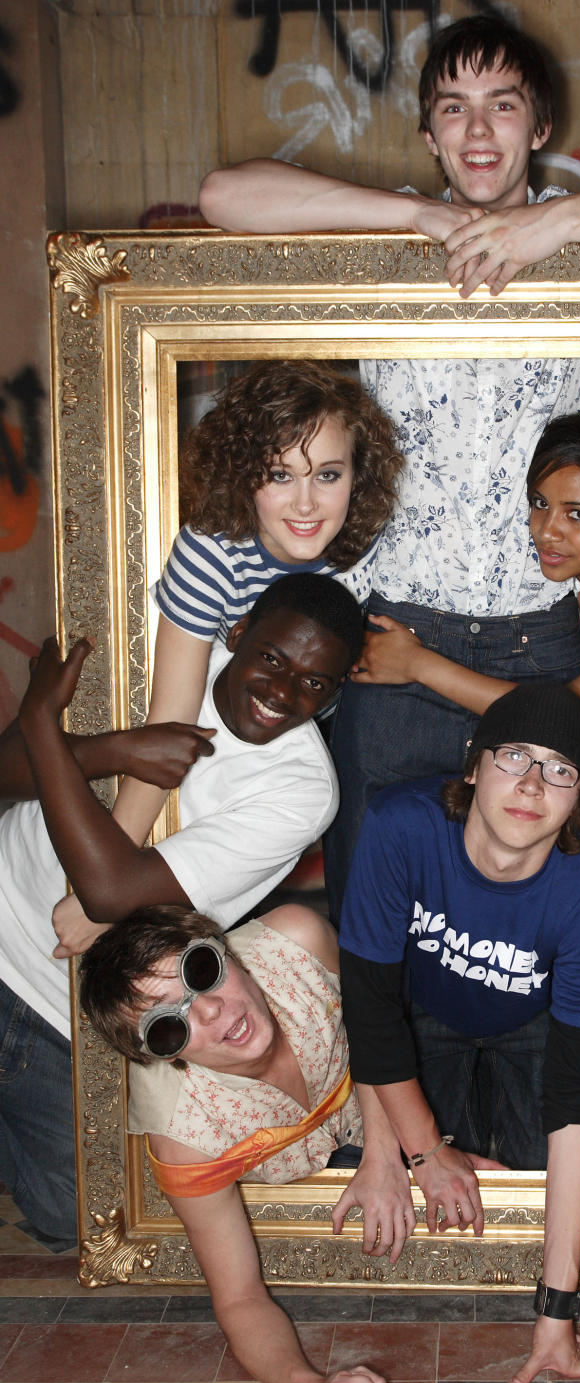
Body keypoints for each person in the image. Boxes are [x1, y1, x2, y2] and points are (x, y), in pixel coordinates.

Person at [198, 15, 580, 913]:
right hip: (393, 636)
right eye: (454, 109)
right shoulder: (386, 239)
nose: (477, 131)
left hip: (535, 637)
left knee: (547, 905)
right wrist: (420, 216)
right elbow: (225, 195)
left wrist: (558, 223)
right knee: (380, 905)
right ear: (429, 133)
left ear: (537, 126)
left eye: (502, 107)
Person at [0, 573, 362, 1241]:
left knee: (76, 1215)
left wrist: (40, 723)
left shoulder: (302, 788)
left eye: (315, 683)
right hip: (3, 895)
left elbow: (109, 889)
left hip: (58, 1004)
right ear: (238, 634)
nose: (283, 691)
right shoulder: (171, 655)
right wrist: (107, 748)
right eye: (273, 659)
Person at [338, 683, 580, 1383]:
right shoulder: (399, 824)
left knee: (557, 1180)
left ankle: (468, 1143)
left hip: (530, 1021)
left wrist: (557, 1310)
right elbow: (371, 1008)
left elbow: (577, 1092)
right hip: (420, 1014)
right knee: (366, 1168)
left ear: (578, 797)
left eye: (560, 769)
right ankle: (445, 1142)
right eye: (515, 757)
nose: (533, 784)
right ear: (474, 765)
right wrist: (412, 1148)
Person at [356, 410, 580, 1022]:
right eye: (540, 503)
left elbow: (563, 715)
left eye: (577, 515)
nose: (547, 530)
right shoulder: (551, 581)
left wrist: (418, 665)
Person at [52, 359, 401, 955]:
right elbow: (170, 727)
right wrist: (100, 881)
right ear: (243, 474)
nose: (307, 503)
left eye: (329, 474)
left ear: (357, 475)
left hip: (290, 744)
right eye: (280, 474)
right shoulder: (211, 551)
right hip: (210, 728)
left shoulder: (362, 548)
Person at [78, 900, 410, 1383]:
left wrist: (390, 1152)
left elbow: (381, 1023)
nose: (206, 1012)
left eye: (200, 971)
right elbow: (239, 1299)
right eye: (167, 1027)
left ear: (226, 948)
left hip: (398, 1092)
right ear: (164, 1057)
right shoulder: (183, 1132)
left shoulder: (299, 942)